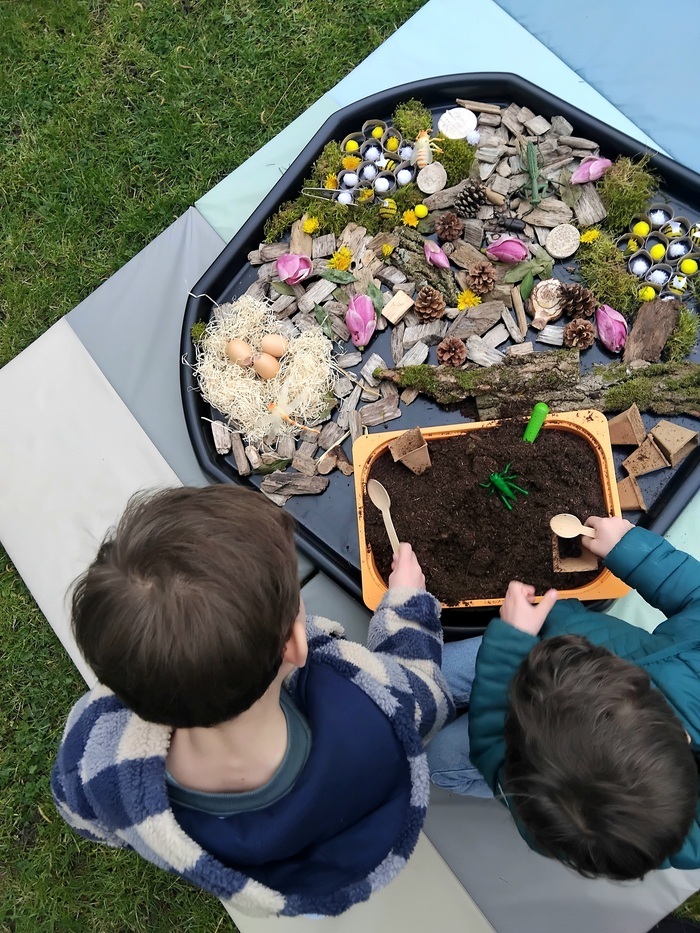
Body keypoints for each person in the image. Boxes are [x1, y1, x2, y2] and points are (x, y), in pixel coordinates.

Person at [52, 485, 454, 918]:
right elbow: (425, 693)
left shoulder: (100, 759)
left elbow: (78, 804)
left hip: (266, 883)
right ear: (295, 644)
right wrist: (407, 606)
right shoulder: (368, 707)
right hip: (345, 854)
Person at [427, 515, 700, 878]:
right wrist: (631, 550)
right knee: (436, 673)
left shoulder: (561, 826)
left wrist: (508, 644)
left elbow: (491, 745)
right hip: (550, 643)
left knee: (440, 760)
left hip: (522, 669)